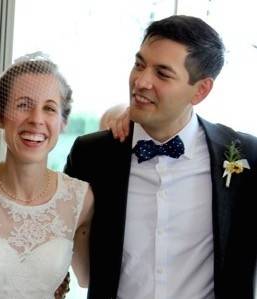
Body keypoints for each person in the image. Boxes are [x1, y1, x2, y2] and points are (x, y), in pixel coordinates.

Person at [65, 15, 257, 299]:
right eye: (139, 64)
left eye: (163, 74)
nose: (141, 81)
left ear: (201, 90)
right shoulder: (92, 154)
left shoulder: (247, 156)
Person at [0, 54, 94, 299]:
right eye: (23, 105)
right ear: (0, 115)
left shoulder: (81, 199)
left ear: (63, 122)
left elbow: (86, 278)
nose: (36, 119)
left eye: (49, 108)